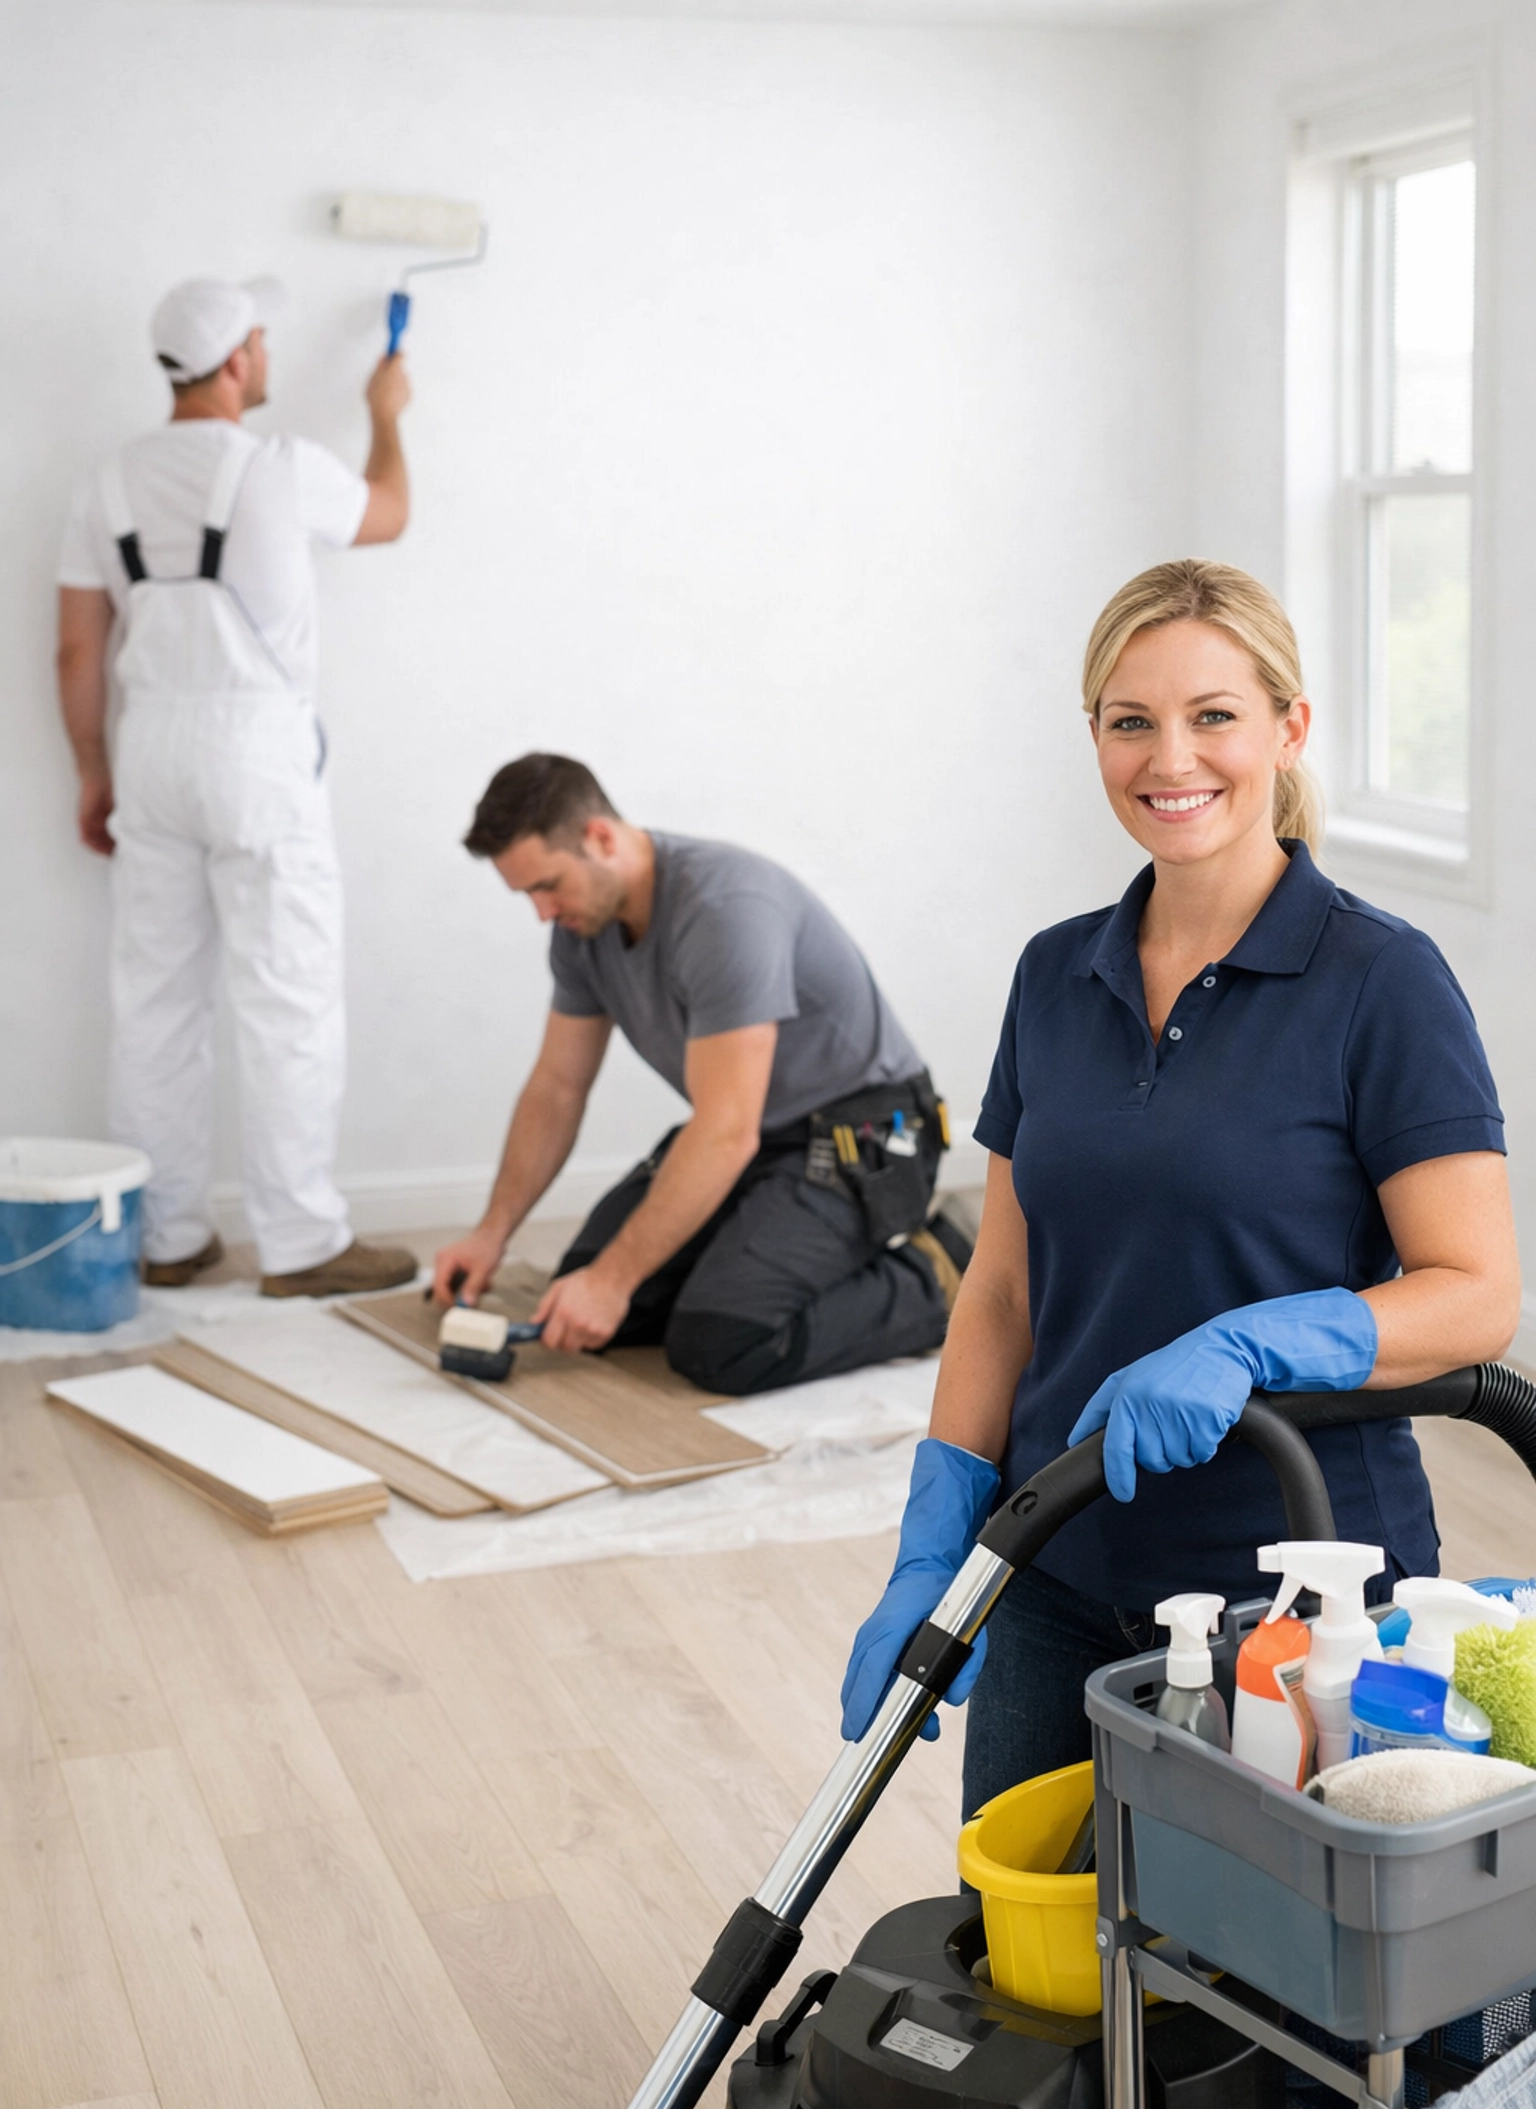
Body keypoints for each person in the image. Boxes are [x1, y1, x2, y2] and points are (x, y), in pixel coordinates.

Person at [840, 559, 1519, 1818]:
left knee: (1265, 1994)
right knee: (1029, 1966)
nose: (1172, 758)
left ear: (1288, 728)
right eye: (1131, 720)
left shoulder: (1383, 981)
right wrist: (939, 1534)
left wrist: (1253, 1343)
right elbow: (1000, 1286)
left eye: (1214, 715)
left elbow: (1478, 1300)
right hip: (1052, 1556)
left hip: (1296, 1598)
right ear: (1094, 735)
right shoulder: (1055, 975)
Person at [56, 275, 419, 1296]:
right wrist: (384, 416)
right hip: (254, 752)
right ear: (237, 362)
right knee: (289, 995)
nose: (265, 355)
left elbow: (76, 655)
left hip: (152, 751)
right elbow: (388, 514)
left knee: (155, 1003)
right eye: (259, 340)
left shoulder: (106, 482)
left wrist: (95, 773)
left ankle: (166, 1237)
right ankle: (303, 1243)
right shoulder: (279, 465)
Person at [431, 753, 970, 1393]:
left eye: (547, 886)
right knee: (586, 1294)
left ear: (600, 838)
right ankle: (745, 1262)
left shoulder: (724, 910)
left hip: (870, 1134)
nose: (542, 913)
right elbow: (556, 1089)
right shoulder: (581, 931)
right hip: (756, 1132)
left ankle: (945, 1265)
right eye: (527, 895)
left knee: (723, 1341)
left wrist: (613, 1282)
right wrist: (492, 1233)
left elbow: (724, 1131)